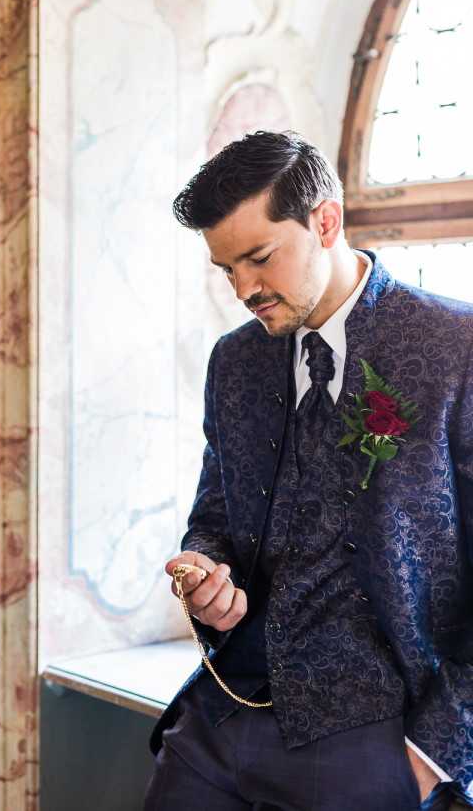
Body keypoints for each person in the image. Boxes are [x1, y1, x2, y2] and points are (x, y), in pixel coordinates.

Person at [143, 131, 473, 811]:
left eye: (259, 258)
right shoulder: (233, 363)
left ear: (326, 221)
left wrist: (436, 751)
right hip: (216, 723)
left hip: (374, 742)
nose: (243, 288)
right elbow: (213, 519)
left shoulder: (454, 348)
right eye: (225, 268)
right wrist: (206, 575)